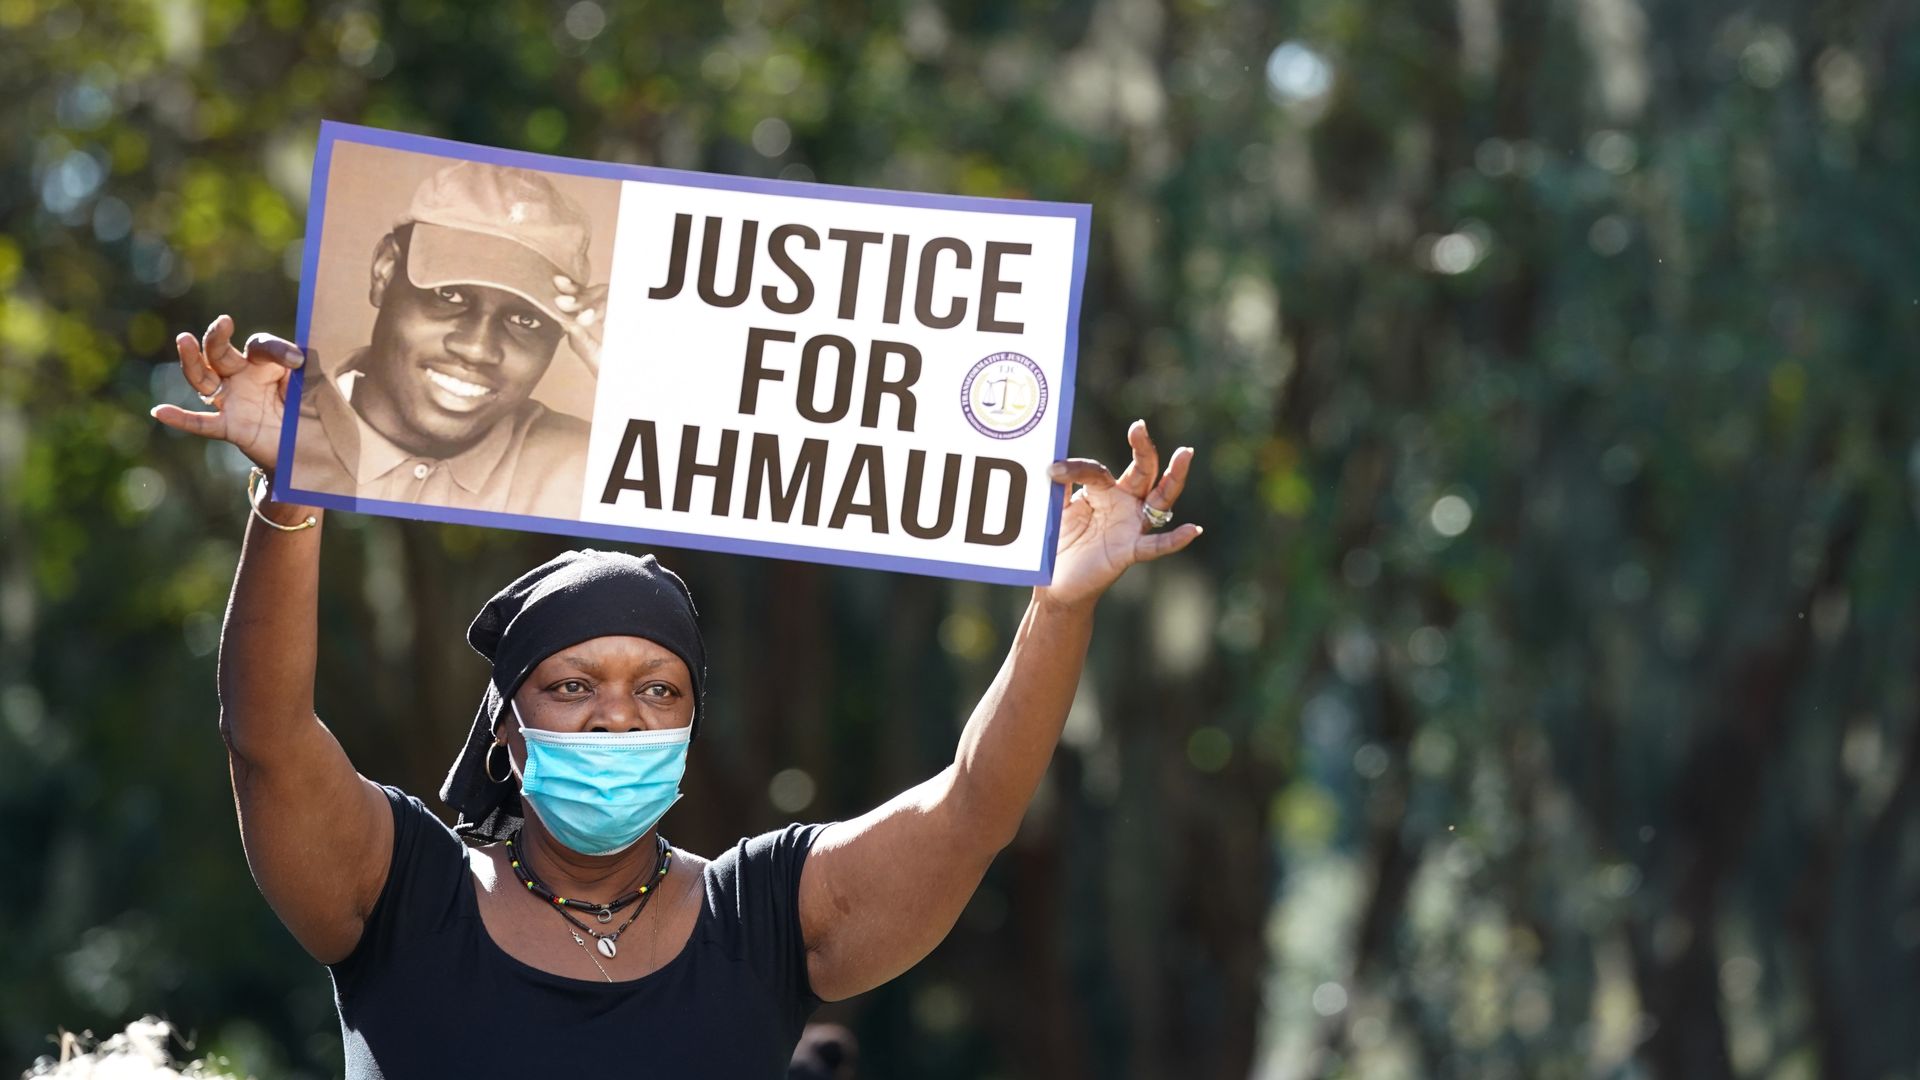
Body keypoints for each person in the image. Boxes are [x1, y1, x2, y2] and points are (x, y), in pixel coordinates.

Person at [149, 315, 1200, 1078]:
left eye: (657, 689)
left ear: (692, 725)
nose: (617, 717)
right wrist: (287, 491)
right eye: (571, 688)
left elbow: (974, 808)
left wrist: (1060, 609)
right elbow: (269, 741)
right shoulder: (401, 893)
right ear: (510, 732)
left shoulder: (768, 918)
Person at [289, 162, 609, 517]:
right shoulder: (278, 432)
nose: (476, 348)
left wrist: (645, 387)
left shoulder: (595, 475)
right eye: (449, 295)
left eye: (525, 319)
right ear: (384, 270)